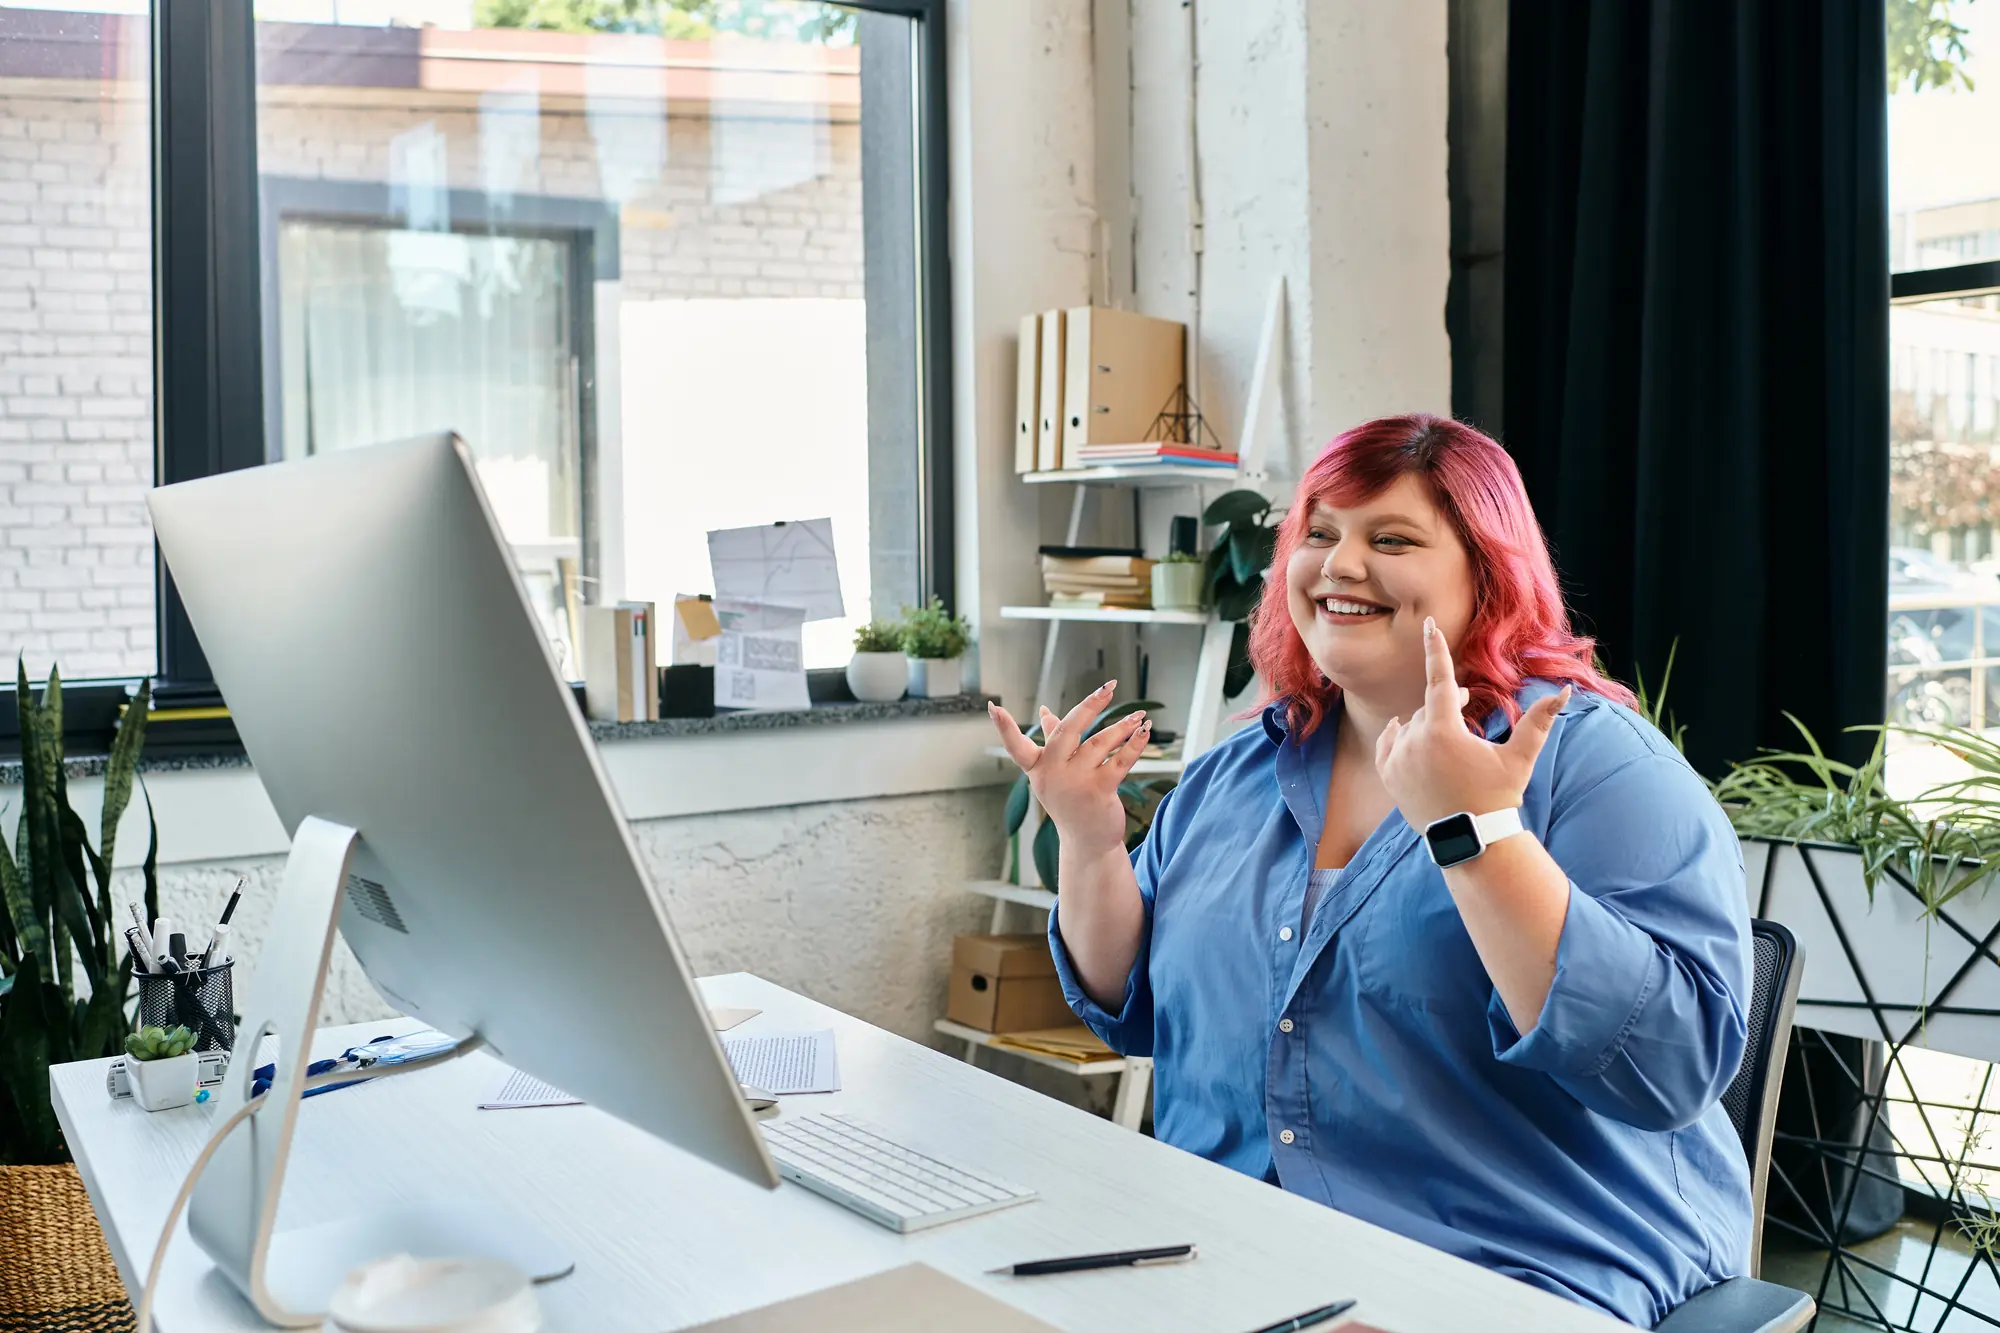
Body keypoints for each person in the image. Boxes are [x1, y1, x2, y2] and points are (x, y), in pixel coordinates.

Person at [989, 414, 1752, 1328]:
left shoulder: (1603, 767)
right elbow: (1134, 1003)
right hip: (1238, 1252)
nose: (1339, 565)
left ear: (1489, 572)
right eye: (1319, 533)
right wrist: (1088, 839)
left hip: (1529, 1266)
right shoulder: (1235, 773)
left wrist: (1475, 832)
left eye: (1390, 539)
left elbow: (1670, 1067)